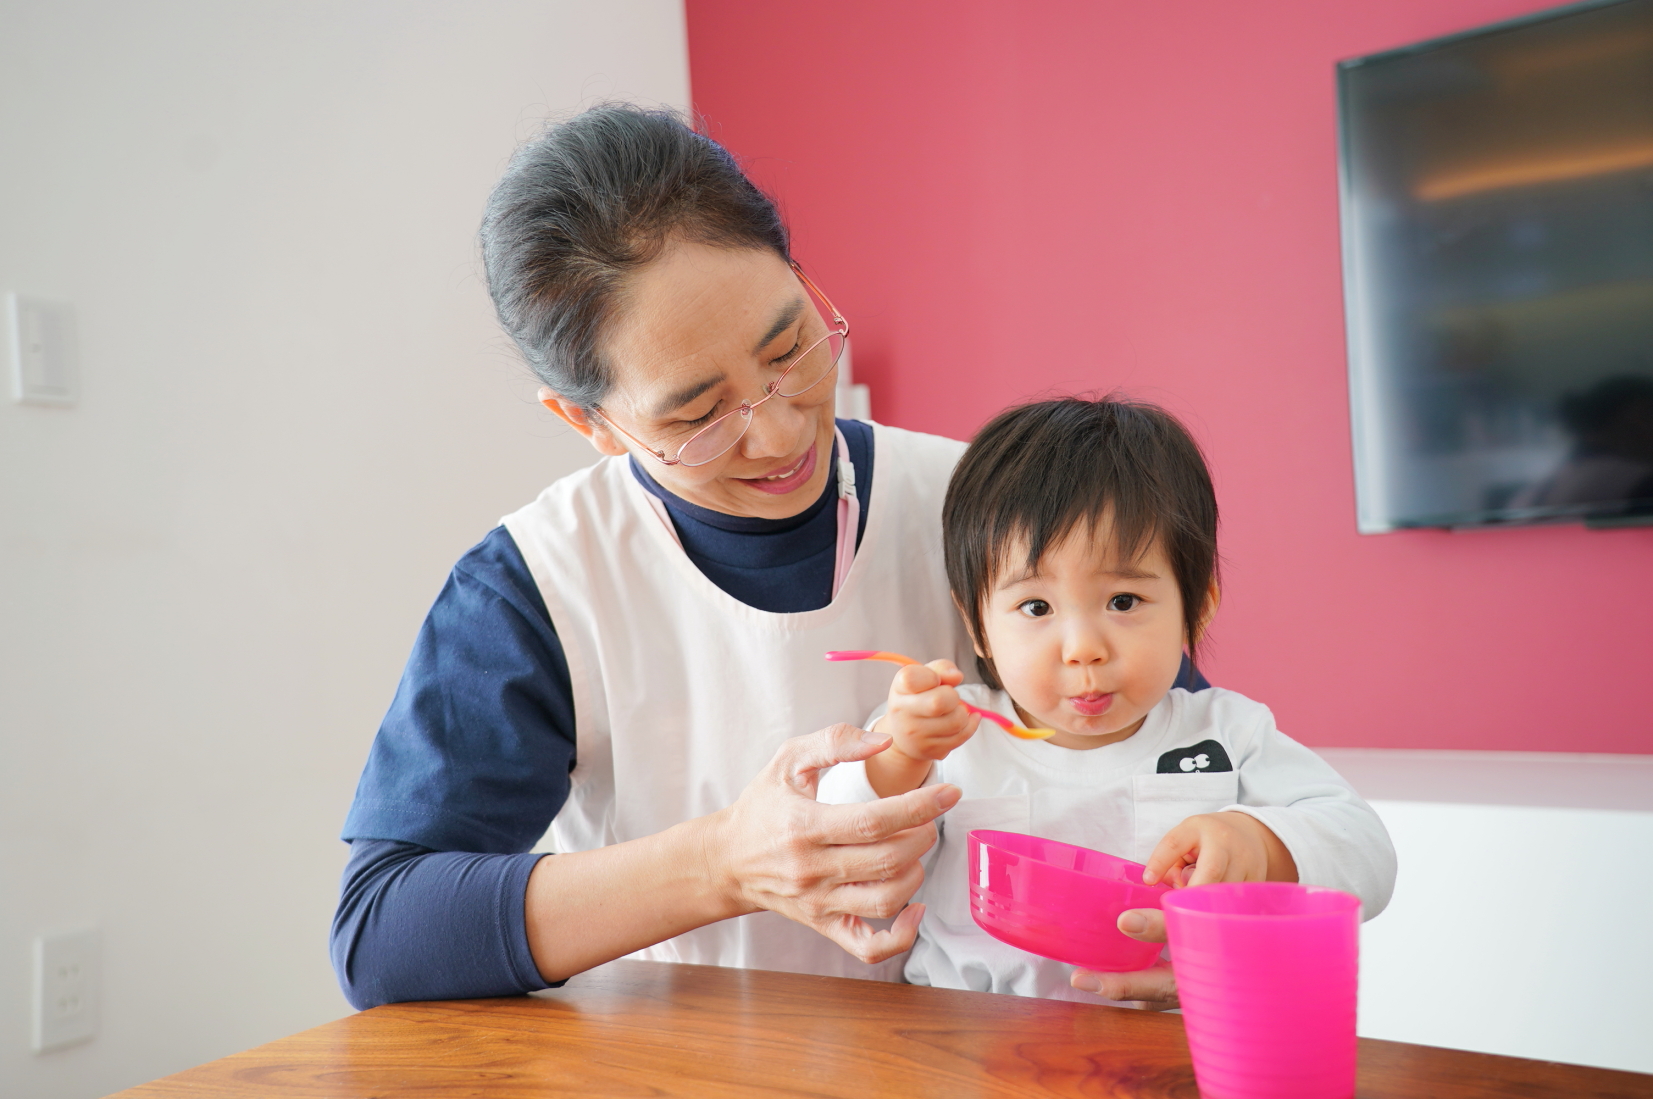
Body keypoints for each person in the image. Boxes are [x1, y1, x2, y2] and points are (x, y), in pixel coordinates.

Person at [329, 104, 1204, 1010]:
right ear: (586, 422)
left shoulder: (987, 511)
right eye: (697, 415)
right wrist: (721, 862)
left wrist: (1191, 919)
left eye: (789, 348)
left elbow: (1192, 767)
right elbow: (384, 934)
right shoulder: (538, 587)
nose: (782, 431)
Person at [819, 397, 1397, 1004]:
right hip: (964, 1047)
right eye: (1036, 608)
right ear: (979, 624)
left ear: (1195, 606)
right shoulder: (949, 733)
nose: (1083, 649)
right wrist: (896, 760)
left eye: (1123, 601)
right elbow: (837, 831)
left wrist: (1261, 843)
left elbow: (1367, 853)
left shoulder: (1227, 735)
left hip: (1164, 1048)